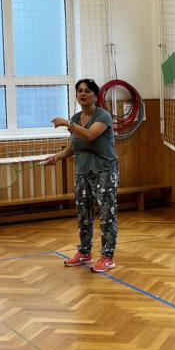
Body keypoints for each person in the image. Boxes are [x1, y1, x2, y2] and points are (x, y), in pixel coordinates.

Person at [45, 79, 119, 273]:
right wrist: (57, 157)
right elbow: (74, 147)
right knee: (83, 213)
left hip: (104, 170)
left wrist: (68, 124)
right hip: (83, 171)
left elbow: (89, 136)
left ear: (95, 96)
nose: (83, 94)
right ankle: (85, 252)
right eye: (80, 91)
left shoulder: (103, 116)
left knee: (107, 214)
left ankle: (107, 257)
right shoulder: (76, 118)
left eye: (87, 91)